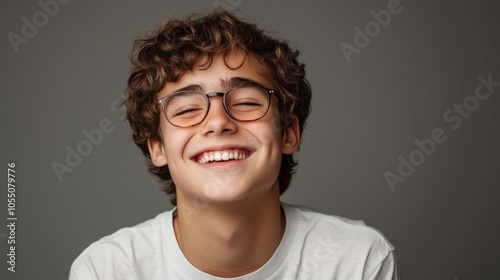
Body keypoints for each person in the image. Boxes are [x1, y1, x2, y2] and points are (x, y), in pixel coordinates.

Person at [69, 9, 398, 279]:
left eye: (247, 102)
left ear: (288, 133)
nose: (218, 122)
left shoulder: (357, 261)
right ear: (158, 148)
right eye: (186, 109)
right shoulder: (106, 271)